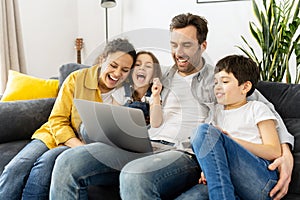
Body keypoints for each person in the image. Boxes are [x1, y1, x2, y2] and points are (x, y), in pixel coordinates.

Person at [49, 13, 294, 200]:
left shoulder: (220, 79)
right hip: (145, 144)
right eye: (174, 44)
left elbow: (266, 109)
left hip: (184, 153)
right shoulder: (162, 76)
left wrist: (285, 154)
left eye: (186, 45)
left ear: (203, 46)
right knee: (68, 162)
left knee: (135, 176)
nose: (178, 52)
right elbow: (126, 89)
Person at [0, 38, 137, 200]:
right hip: (54, 135)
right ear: (102, 59)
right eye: (113, 65)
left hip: (81, 145)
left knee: (44, 167)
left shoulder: (126, 94)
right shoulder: (77, 79)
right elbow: (57, 119)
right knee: (17, 167)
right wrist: (79, 146)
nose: (117, 74)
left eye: (125, 70)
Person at [192, 55, 281, 199]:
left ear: (245, 86)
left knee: (203, 131)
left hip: (261, 180)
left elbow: (274, 151)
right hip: (231, 182)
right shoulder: (216, 114)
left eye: (225, 82)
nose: (217, 88)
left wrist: (232, 141)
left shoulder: (257, 108)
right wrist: (207, 169)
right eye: (215, 83)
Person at [112, 50, 163, 126]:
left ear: (153, 75)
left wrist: (156, 96)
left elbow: (156, 124)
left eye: (148, 66)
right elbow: (114, 120)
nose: (142, 68)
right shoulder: (121, 93)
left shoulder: (154, 96)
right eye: (138, 64)